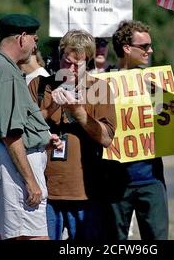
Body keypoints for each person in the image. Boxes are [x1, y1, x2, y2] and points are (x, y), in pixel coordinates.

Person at [0, 14, 61, 240]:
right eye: (35, 40)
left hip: (8, 159)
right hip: (13, 163)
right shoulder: (4, 70)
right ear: (22, 38)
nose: (34, 47)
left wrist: (40, 136)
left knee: (8, 234)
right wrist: (30, 181)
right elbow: (11, 134)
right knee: (30, 237)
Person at [105, 20, 174, 240]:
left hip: (151, 179)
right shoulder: (103, 83)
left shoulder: (154, 81)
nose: (150, 50)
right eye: (144, 46)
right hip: (114, 180)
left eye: (149, 45)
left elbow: (168, 116)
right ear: (126, 48)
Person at [27, 29, 116, 241]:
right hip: (45, 192)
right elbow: (25, 128)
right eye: (66, 62)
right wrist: (50, 108)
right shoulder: (39, 86)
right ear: (59, 57)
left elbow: (106, 138)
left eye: (78, 65)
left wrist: (79, 113)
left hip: (86, 193)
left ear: (89, 62)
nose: (71, 69)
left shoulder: (100, 89)